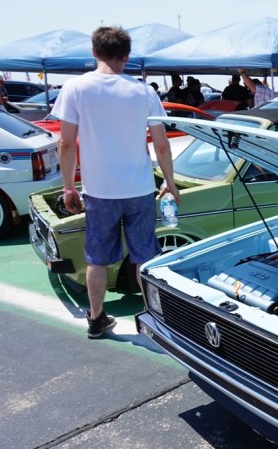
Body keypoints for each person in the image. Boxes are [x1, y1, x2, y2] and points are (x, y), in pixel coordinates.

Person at [50, 26, 180, 339]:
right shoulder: (144, 91)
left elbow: (66, 144)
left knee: (97, 258)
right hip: (139, 189)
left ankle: (96, 319)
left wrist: (68, 186)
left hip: (99, 192)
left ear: (94, 52)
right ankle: (154, 319)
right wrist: (171, 183)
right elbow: (161, 144)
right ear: (127, 56)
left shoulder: (75, 88)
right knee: (144, 256)